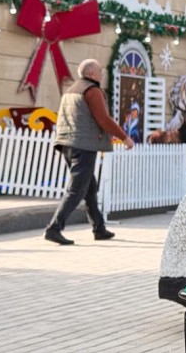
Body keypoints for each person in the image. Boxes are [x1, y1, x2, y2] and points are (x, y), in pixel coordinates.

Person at [44, 59, 134, 245]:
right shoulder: (92, 90)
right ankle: (54, 228)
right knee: (77, 189)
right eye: (100, 71)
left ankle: (98, 228)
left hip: (67, 143)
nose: (102, 74)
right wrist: (124, 137)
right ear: (92, 73)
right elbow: (103, 119)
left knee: (90, 187)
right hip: (83, 145)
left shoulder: (70, 90)